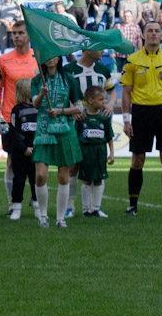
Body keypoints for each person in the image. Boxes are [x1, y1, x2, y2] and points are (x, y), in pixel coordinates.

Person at [120, 21, 162, 216]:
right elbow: (126, 92)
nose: (154, 34)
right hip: (140, 113)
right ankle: (132, 206)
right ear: (143, 35)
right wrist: (126, 120)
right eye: (150, 31)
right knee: (137, 159)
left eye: (157, 31)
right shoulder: (132, 60)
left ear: (161, 35)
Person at [63, 48, 117, 217]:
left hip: (95, 122)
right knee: (73, 166)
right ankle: (69, 206)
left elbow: (112, 91)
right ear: (87, 50)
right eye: (99, 48)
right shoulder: (69, 70)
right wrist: (74, 109)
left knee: (94, 164)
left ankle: (94, 207)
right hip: (74, 123)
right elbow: (64, 94)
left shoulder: (102, 70)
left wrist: (109, 104)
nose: (103, 51)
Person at [30, 56, 83, 228]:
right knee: (40, 175)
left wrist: (61, 111)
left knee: (63, 176)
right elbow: (35, 105)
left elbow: (79, 107)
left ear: (59, 57)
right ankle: (43, 215)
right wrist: (41, 94)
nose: (50, 59)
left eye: (54, 55)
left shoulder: (69, 78)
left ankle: (61, 218)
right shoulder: (37, 79)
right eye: (47, 55)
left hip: (64, 130)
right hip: (43, 129)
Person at [0, 21, 40, 207]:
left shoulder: (38, 58)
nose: (16, 36)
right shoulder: (4, 60)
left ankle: (36, 199)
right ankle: (12, 201)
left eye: (21, 33)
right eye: (14, 33)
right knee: (12, 160)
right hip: (10, 118)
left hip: (36, 117)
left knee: (37, 159)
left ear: (29, 36)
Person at [75, 86, 115, 218]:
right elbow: (76, 137)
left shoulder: (104, 118)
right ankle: (86, 209)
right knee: (86, 180)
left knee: (98, 179)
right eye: (101, 99)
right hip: (86, 152)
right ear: (91, 100)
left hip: (100, 152)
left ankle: (95, 209)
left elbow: (109, 137)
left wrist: (112, 153)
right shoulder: (82, 118)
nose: (104, 102)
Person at [8, 78, 40, 220]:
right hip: (21, 151)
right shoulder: (17, 110)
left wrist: (36, 146)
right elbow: (14, 131)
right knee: (19, 179)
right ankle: (16, 207)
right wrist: (24, 148)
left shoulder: (40, 109)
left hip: (37, 149)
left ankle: (37, 204)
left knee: (36, 179)